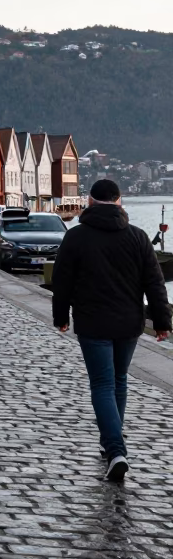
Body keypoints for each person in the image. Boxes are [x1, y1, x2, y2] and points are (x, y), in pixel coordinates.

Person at [52, 179, 171, 483]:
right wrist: (161, 322)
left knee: (103, 384)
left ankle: (115, 448)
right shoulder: (139, 238)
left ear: (89, 203)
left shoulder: (76, 237)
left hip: (93, 323)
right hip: (129, 323)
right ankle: (111, 445)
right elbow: (154, 283)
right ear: (120, 202)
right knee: (118, 381)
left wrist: (60, 316)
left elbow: (62, 280)